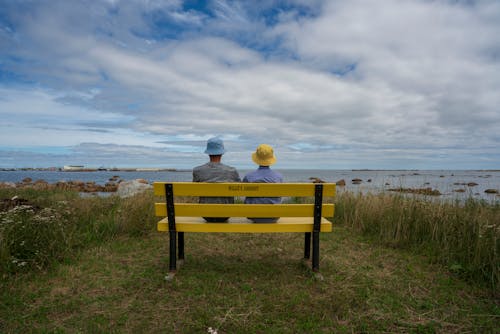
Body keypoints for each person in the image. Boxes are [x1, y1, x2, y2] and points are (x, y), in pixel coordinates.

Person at [193, 137, 241, 222]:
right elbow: (238, 190)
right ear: (222, 153)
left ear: (208, 153)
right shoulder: (232, 171)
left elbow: (194, 190)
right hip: (225, 214)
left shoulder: (198, 170)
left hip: (205, 214)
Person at [243, 144, 283, 223]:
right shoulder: (278, 177)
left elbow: (244, 192)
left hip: (254, 215)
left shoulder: (249, 176)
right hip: (273, 216)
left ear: (257, 158)